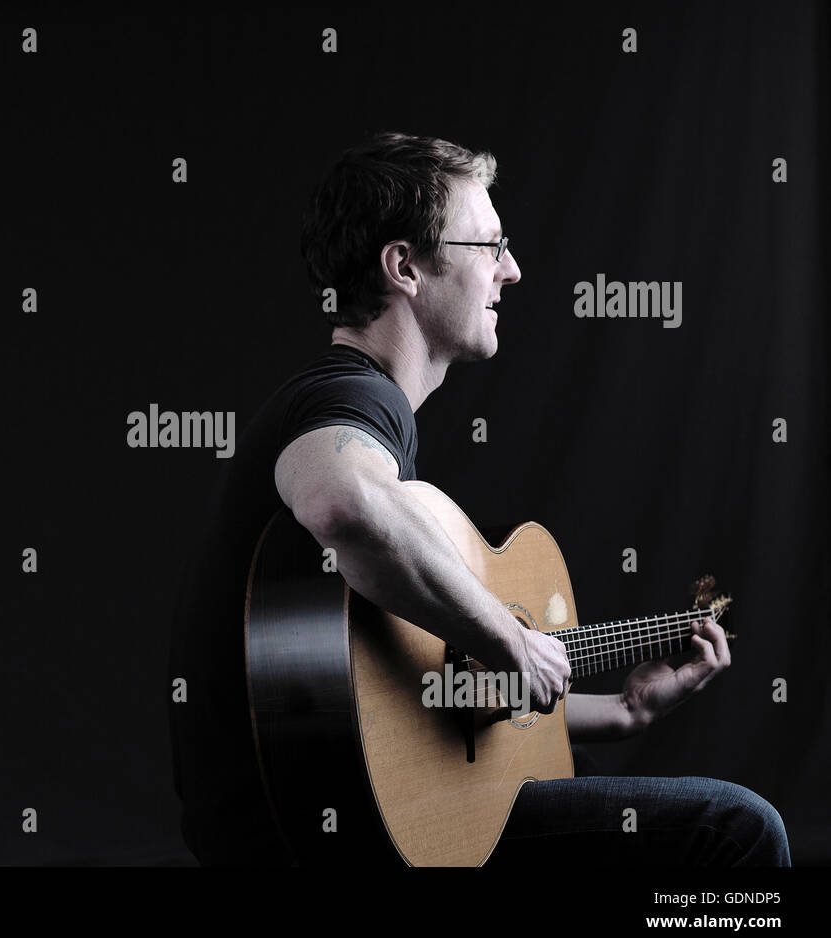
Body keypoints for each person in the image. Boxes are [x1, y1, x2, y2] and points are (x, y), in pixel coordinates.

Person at [167, 131, 789, 867]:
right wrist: (505, 631)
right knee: (735, 830)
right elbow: (342, 505)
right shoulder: (348, 395)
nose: (513, 271)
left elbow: (422, 706)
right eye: (489, 245)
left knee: (571, 776)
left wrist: (623, 711)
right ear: (405, 267)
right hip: (307, 834)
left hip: (324, 811)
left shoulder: (369, 414)